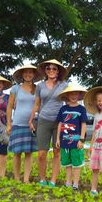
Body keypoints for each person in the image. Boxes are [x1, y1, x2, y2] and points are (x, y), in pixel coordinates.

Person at [29, 59, 68, 187]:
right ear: (45, 71)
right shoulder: (40, 86)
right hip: (43, 120)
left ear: (58, 71)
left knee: (57, 152)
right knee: (41, 153)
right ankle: (42, 178)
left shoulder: (63, 85)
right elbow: (37, 103)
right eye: (48, 68)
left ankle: (53, 180)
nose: (51, 70)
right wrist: (31, 118)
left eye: (54, 69)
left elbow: (68, 103)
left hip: (59, 121)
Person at [6, 65, 42, 183]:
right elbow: (9, 107)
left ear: (34, 75)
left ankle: (26, 179)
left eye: (30, 72)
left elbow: (39, 106)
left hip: (31, 125)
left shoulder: (38, 89)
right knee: (17, 153)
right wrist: (8, 124)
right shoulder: (15, 88)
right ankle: (16, 178)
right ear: (22, 74)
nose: (28, 74)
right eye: (26, 72)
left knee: (29, 153)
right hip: (17, 124)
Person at [55, 84, 88, 190]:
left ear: (79, 95)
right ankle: (68, 182)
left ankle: (75, 184)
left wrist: (81, 140)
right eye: (71, 94)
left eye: (76, 94)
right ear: (67, 95)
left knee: (77, 163)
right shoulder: (63, 109)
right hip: (64, 141)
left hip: (76, 141)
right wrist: (57, 139)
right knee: (67, 163)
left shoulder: (81, 109)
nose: (74, 96)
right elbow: (60, 124)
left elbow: (83, 124)